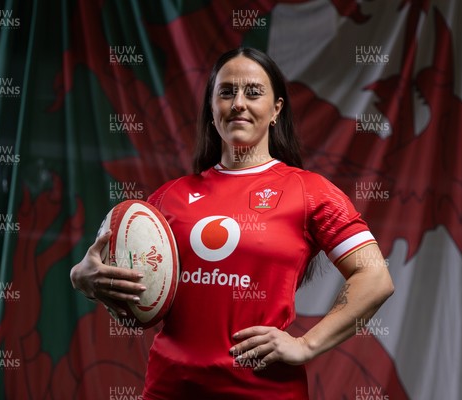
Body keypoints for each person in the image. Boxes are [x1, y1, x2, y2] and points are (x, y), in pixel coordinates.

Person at [70, 47, 394, 399]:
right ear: (212, 110)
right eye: (226, 92)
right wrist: (84, 278)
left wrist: (307, 344)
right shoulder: (167, 198)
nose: (238, 103)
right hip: (170, 388)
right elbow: (135, 294)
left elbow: (375, 278)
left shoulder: (309, 191)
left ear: (276, 110)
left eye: (253, 92)